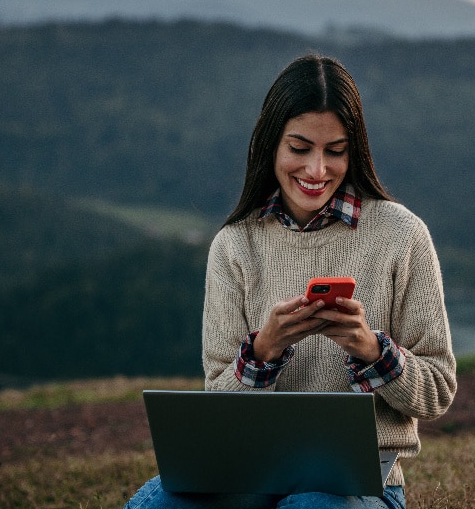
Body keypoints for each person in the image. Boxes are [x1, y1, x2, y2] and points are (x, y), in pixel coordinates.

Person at [123, 54, 457, 509]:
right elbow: (216, 406)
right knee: (161, 504)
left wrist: (371, 350)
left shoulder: (402, 236)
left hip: (357, 487)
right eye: (300, 148)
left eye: (335, 151)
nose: (317, 170)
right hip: (248, 475)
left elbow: (438, 391)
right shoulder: (234, 245)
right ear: (271, 146)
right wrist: (264, 351)